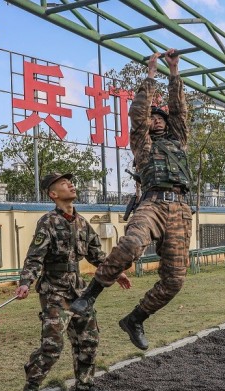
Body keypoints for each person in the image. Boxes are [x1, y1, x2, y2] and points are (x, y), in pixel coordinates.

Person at [70, 48, 193, 351]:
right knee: (131, 245)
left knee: (174, 280)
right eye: (153, 118)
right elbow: (137, 115)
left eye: (161, 117)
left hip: (180, 209)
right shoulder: (142, 144)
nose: (158, 120)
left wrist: (175, 72)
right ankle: (89, 296)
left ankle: (135, 319)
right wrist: (151, 77)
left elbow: (180, 111)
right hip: (151, 203)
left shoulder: (179, 141)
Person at [14, 173, 131, 391]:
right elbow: (34, 257)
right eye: (64, 183)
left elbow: (96, 255)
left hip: (79, 291)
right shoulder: (47, 222)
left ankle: (84, 385)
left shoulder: (82, 223)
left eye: (71, 182)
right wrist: (26, 282)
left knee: (88, 339)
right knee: (52, 346)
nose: (71, 184)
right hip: (54, 292)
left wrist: (116, 271)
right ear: (53, 194)